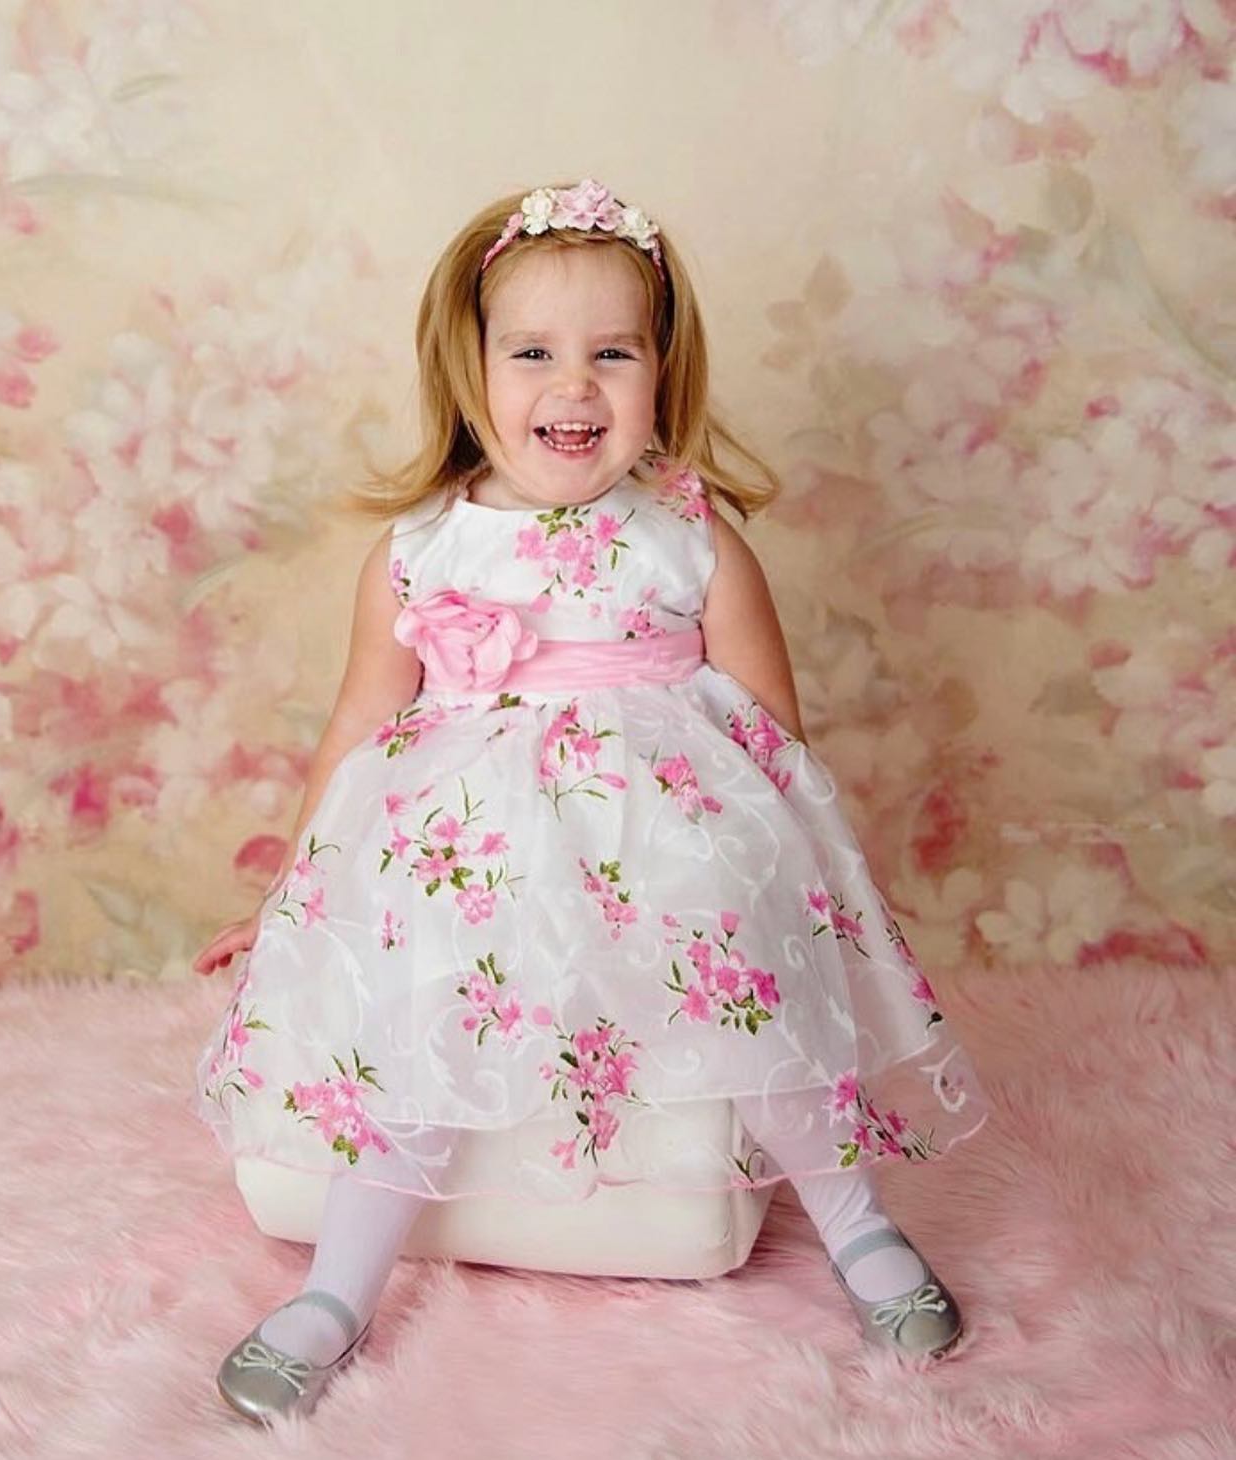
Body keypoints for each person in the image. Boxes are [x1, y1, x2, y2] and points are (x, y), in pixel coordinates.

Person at [191, 177, 992, 1425]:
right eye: (534, 352)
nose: (575, 385)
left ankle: (857, 1224)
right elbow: (358, 724)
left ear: (661, 375)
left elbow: (772, 723)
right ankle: (338, 1290)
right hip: (468, 856)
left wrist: (787, 874)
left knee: (739, 971)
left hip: (660, 838)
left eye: (612, 352)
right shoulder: (422, 545)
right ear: (470, 372)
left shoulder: (689, 533)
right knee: (407, 1018)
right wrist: (292, 886)